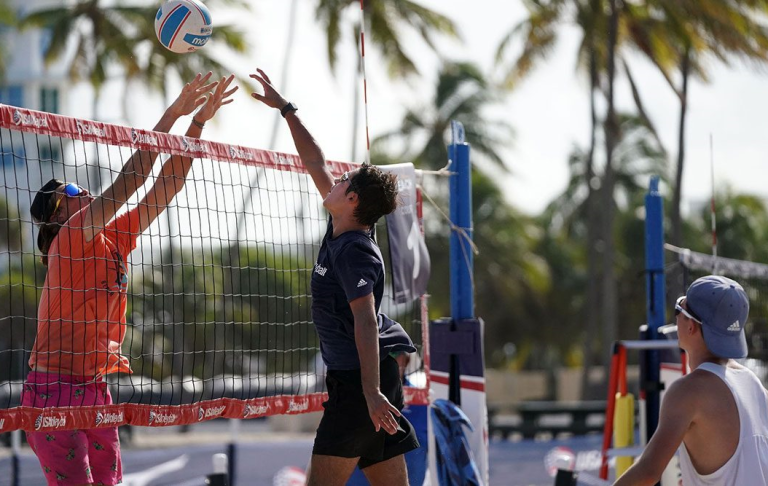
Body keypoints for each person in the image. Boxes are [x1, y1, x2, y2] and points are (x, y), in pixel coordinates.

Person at [25, 72, 237, 486]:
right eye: (71, 188)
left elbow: (166, 186)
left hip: (93, 384)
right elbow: (131, 181)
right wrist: (172, 114)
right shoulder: (69, 238)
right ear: (58, 214)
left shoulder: (110, 236)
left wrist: (197, 124)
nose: (82, 190)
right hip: (52, 389)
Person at [250, 68, 419, 486]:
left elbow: (365, 321)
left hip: (359, 388)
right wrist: (286, 109)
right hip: (370, 383)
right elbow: (315, 160)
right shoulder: (342, 225)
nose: (334, 180)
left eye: (342, 181)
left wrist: (370, 393)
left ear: (353, 199)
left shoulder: (355, 249)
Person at [614, 275, 768, 485]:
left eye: (679, 309)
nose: (675, 316)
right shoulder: (754, 383)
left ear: (691, 326)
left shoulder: (688, 391)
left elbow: (648, 472)